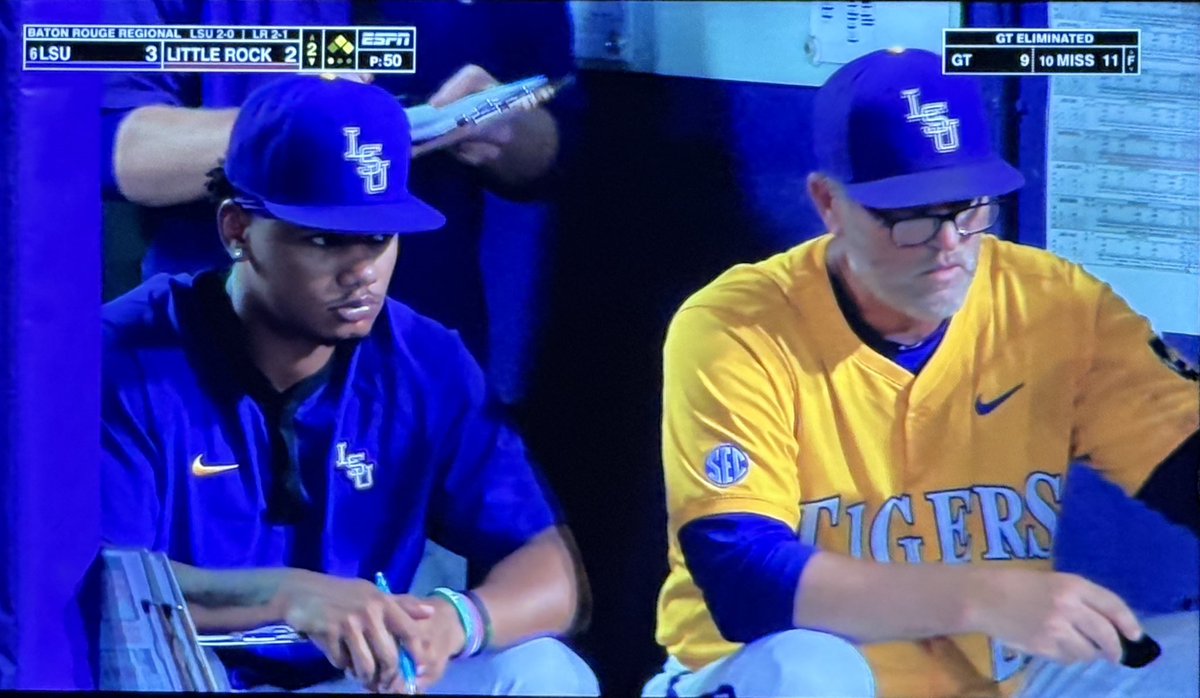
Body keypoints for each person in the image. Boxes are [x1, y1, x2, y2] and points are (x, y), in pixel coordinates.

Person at [645, 48, 1199, 697]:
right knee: (807, 671)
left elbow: (1186, 461)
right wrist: (981, 597)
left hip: (998, 677)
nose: (949, 245)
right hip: (769, 672)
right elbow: (743, 576)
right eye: (911, 216)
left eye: (968, 208)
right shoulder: (737, 325)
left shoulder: (1050, 303)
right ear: (829, 203)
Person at [101, 75, 598, 695]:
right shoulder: (123, 356)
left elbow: (555, 574)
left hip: (348, 684)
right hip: (179, 680)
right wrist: (286, 595)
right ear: (237, 230)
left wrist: (452, 622)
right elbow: (98, 585)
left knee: (545, 672)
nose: (362, 271)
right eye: (324, 240)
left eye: (379, 238)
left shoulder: (424, 361)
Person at [103, 0, 575, 368]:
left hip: (424, 353)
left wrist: (507, 127)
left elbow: (558, 149)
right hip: (221, 351)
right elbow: (111, 145)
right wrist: (290, 125)